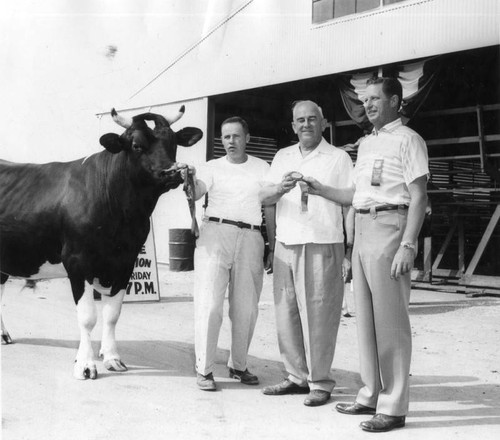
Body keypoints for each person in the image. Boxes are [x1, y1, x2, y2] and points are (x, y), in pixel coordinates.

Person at [309, 77, 429, 432]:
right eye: (365, 99)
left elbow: (419, 197)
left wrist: (408, 244)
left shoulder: (409, 140)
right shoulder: (365, 144)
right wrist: (320, 189)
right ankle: (370, 393)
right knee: (365, 319)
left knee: (391, 322)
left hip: (390, 226)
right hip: (362, 228)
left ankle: (393, 406)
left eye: (376, 98)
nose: (368, 104)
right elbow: (355, 195)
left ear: (395, 100)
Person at [259, 100, 354, 407]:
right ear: (293, 126)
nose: (306, 125)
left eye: (313, 119)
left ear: (323, 123)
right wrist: (281, 188)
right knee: (286, 313)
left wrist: (348, 249)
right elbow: (264, 196)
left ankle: (321, 381)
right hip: (287, 242)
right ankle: (296, 376)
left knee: (319, 315)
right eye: (300, 120)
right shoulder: (282, 156)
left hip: (322, 242)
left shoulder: (338, 158)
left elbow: (350, 200)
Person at [187, 116, 274, 391]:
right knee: (210, 305)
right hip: (215, 233)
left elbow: (270, 206)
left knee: (246, 308)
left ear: (247, 138)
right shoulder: (211, 167)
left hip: (251, 236)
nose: (231, 142)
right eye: (225, 137)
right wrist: (189, 179)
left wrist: (271, 244)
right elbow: (198, 191)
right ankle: (204, 369)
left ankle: (239, 365)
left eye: (236, 136)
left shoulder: (263, 167)